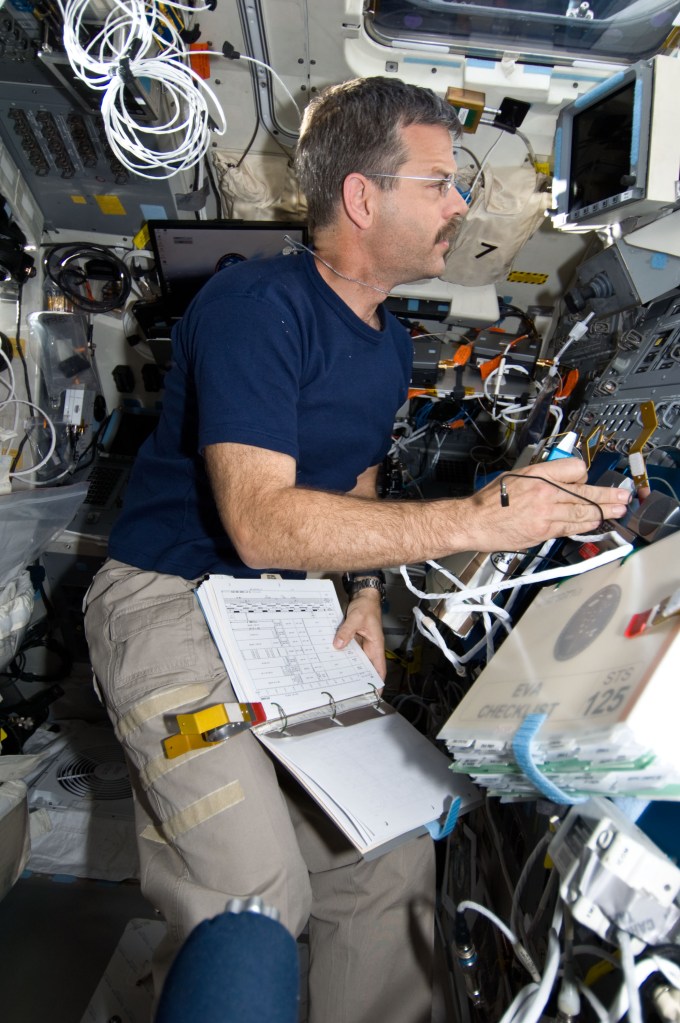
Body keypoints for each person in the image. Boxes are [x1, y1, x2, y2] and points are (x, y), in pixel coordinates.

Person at [83, 76, 630, 1023]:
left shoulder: (385, 343)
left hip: (283, 616)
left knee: (388, 853)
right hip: (169, 603)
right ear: (362, 197)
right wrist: (484, 516)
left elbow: (356, 479)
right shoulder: (256, 305)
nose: (462, 202)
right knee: (257, 894)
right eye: (440, 182)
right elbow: (260, 520)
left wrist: (364, 599)